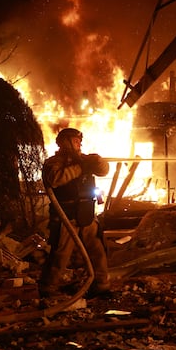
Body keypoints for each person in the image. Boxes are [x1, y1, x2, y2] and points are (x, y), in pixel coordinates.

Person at [39, 127, 110, 297]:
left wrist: (97, 161)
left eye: (79, 141)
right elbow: (55, 179)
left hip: (87, 214)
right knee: (60, 255)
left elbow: (103, 171)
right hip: (66, 216)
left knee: (97, 250)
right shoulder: (54, 163)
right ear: (64, 142)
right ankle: (48, 289)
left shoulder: (84, 160)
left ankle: (101, 285)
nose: (79, 144)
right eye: (75, 141)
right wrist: (80, 168)